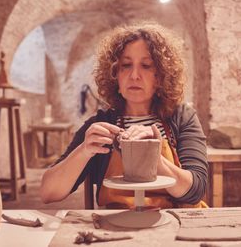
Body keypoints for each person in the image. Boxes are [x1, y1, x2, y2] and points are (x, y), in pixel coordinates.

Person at [40, 22, 208, 208]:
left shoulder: (182, 117)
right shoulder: (101, 125)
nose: (134, 75)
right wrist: (84, 151)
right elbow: (48, 193)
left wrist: (152, 158)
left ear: (160, 77)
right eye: (126, 65)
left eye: (146, 66)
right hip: (117, 226)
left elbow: (196, 190)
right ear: (115, 75)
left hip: (175, 224)